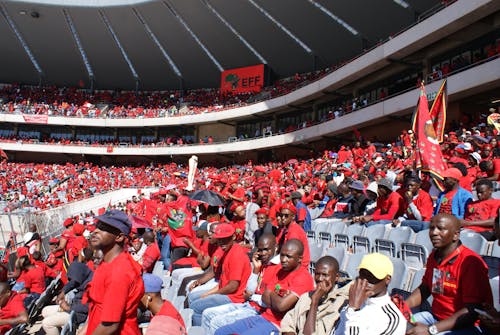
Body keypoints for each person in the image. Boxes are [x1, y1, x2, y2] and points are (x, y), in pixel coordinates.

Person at [405, 214, 492, 335]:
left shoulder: (471, 263)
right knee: (399, 325)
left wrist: (431, 330)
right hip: (435, 317)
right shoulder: (435, 256)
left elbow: (472, 311)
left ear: (456, 234)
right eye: (431, 228)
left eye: (441, 228)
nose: (434, 232)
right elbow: (426, 288)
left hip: (467, 326)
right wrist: (402, 307)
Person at [214, 239, 314, 335]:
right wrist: (277, 296)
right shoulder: (281, 271)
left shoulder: (303, 278)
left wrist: (272, 294)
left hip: (277, 324)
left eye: (288, 256)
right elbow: (264, 297)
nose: (283, 260)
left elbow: (281, 306)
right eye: (282, 255)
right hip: (263, 317)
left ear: (300, 259)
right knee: (220, 332)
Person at [201, 234, 278, 334]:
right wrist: (256, 270)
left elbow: (265, 301)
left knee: (216, 322)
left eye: (266, 249)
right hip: (248, 305)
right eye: (260, 250)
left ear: (275, 248)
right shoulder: (261, 264)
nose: (262, 253)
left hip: (259, 311)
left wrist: (251, 297)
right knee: (207, 314)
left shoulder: (277, 269)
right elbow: (249, 290)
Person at [85, 210, 144, 335]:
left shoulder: (120, 272)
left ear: (119, 237)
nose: (95, 231)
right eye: (97, 226)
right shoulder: (107, 263)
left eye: (103, 228)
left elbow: (110, 325)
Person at [189, 223, 251, 326]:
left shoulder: (236, 255)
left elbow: (232, 287)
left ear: (233, 237)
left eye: (225, 239)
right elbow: (222, 282)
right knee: (194, 296)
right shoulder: (226, 251)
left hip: (234, 297)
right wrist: (208, 293)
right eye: (219, 239)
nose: (222, 242)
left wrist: (211, 294)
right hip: (225, 292)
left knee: (196, 306)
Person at [335, 253, 407, 335]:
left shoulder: (392, 319)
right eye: (362, 275)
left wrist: (354, 311)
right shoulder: (353, 303)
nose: (365, 282)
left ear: (387, 279)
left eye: (371, 277)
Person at [281, 256, 350, 335]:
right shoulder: (306, 297)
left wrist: (315, 302)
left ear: (336, 277)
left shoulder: (340, 303)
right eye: (317, 274)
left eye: (325, 275)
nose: (320, 278)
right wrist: (289, 332)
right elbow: (288, 321)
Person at [41, 261, 93, 335]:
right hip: (73, 307)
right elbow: (73, 282)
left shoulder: (92, 285)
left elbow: (88, 306)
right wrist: (63, 292)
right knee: (45, 311)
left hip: (78, 314)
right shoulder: (83, 274)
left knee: (46, 323)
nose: (72, 279)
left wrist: (68, 307)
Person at [276, 204, 310, 270]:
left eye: (286, 216)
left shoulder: (294, 231)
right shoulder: (288, 228)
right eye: (281, 215)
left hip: (299, 267)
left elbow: (292, 256)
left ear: (293, 217)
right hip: (292, 263)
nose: (283, 218)